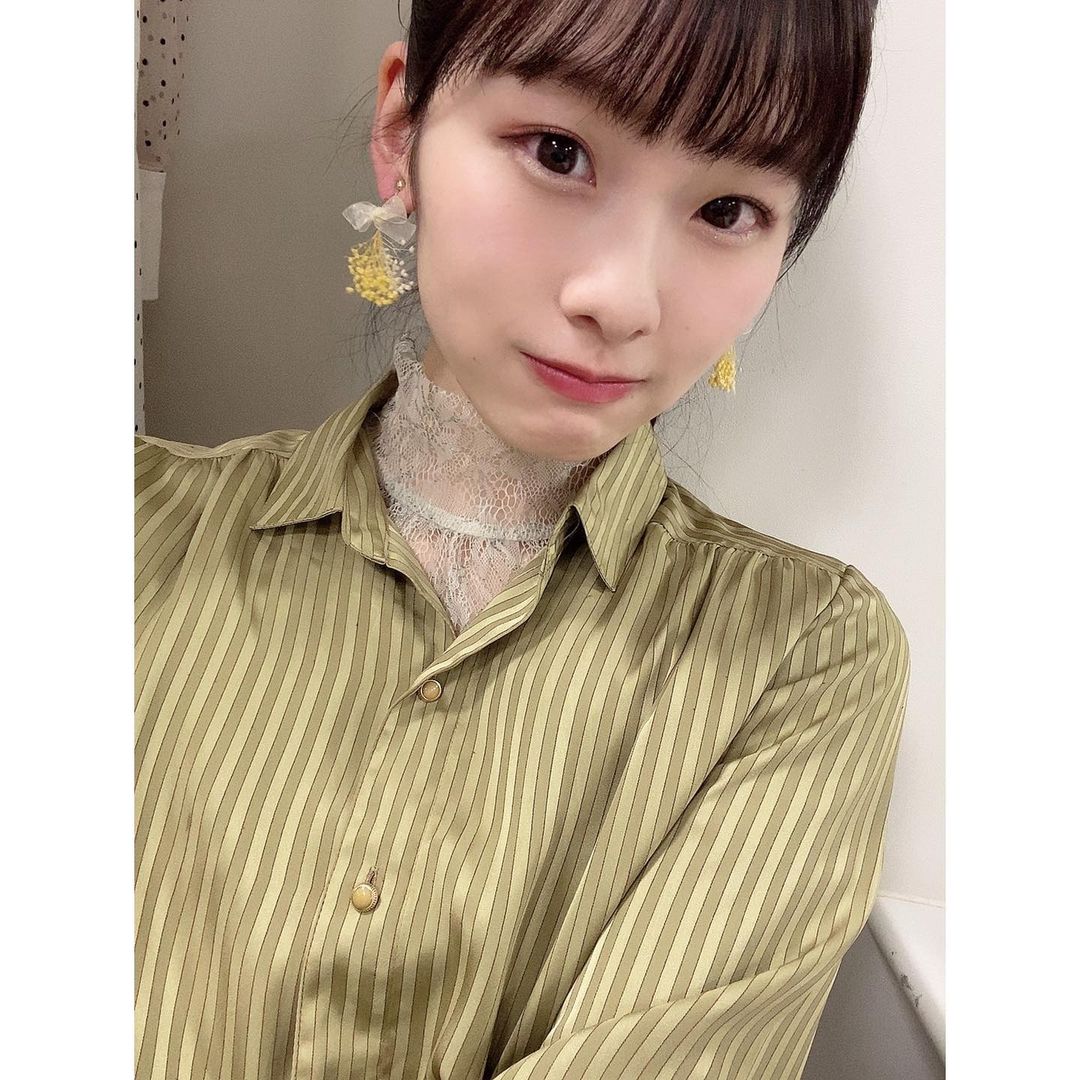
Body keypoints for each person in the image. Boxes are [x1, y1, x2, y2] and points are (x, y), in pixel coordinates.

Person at [135, 2, 911, 1078]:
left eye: (728, 209)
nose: (621, 300)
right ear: (401, 133)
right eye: (558, 152)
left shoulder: (804, 657)